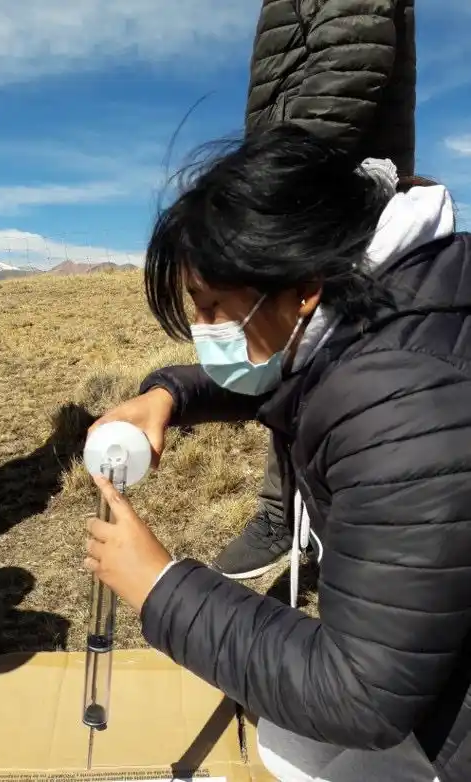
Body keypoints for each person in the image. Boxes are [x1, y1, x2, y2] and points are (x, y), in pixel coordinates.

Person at [85, 126, 471, 781]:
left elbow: (360, 695)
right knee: (287, 740)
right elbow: (301, 368)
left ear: (305, 286)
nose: (205, 331)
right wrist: (172, 395)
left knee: (300, 746)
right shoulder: (407, 296)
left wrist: (159, 587)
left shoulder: (404, 407)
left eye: (212, 309)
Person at [215, 0, 417, 580]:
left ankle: (331, 521)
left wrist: (280, 178)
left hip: (332, 183)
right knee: (294, 352)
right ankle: (285, 510)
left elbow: (353, 60)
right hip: (303, 175)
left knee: (342, 358)